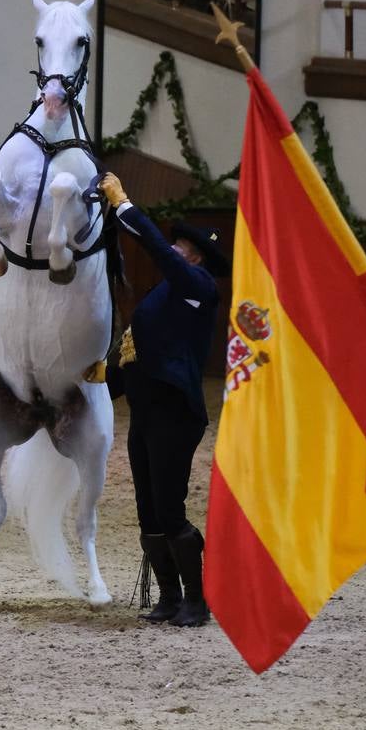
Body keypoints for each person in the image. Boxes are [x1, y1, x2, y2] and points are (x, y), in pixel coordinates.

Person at [98, 172, 230, 628]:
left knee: (170, 508)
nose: (174, 250)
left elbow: (156, 249)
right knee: (148, 511)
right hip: (146, 412)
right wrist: (105, 380)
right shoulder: (164, 293)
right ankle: (170, 597)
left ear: (197, 259)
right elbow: (137, 345)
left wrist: (124, 204)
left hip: (175, 414)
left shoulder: (199, 288)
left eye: (184, 249)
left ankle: (197, 599)